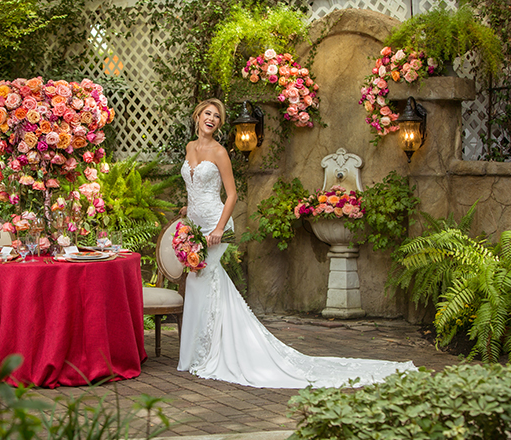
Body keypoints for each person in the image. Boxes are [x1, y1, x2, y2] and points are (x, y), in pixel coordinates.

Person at [176, 98, 417, 388]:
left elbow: (231, 195)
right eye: (207, 114)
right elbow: (193, 188)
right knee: (198, 284)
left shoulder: (219, 151)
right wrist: (187, 215)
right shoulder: (190, 147)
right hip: (193, 225)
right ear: (197, 116)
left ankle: (216, 351)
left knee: (209, 283)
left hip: (216, 226)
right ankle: (196, 352)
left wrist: (216, 229)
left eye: (216, 116)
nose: (211, 119)